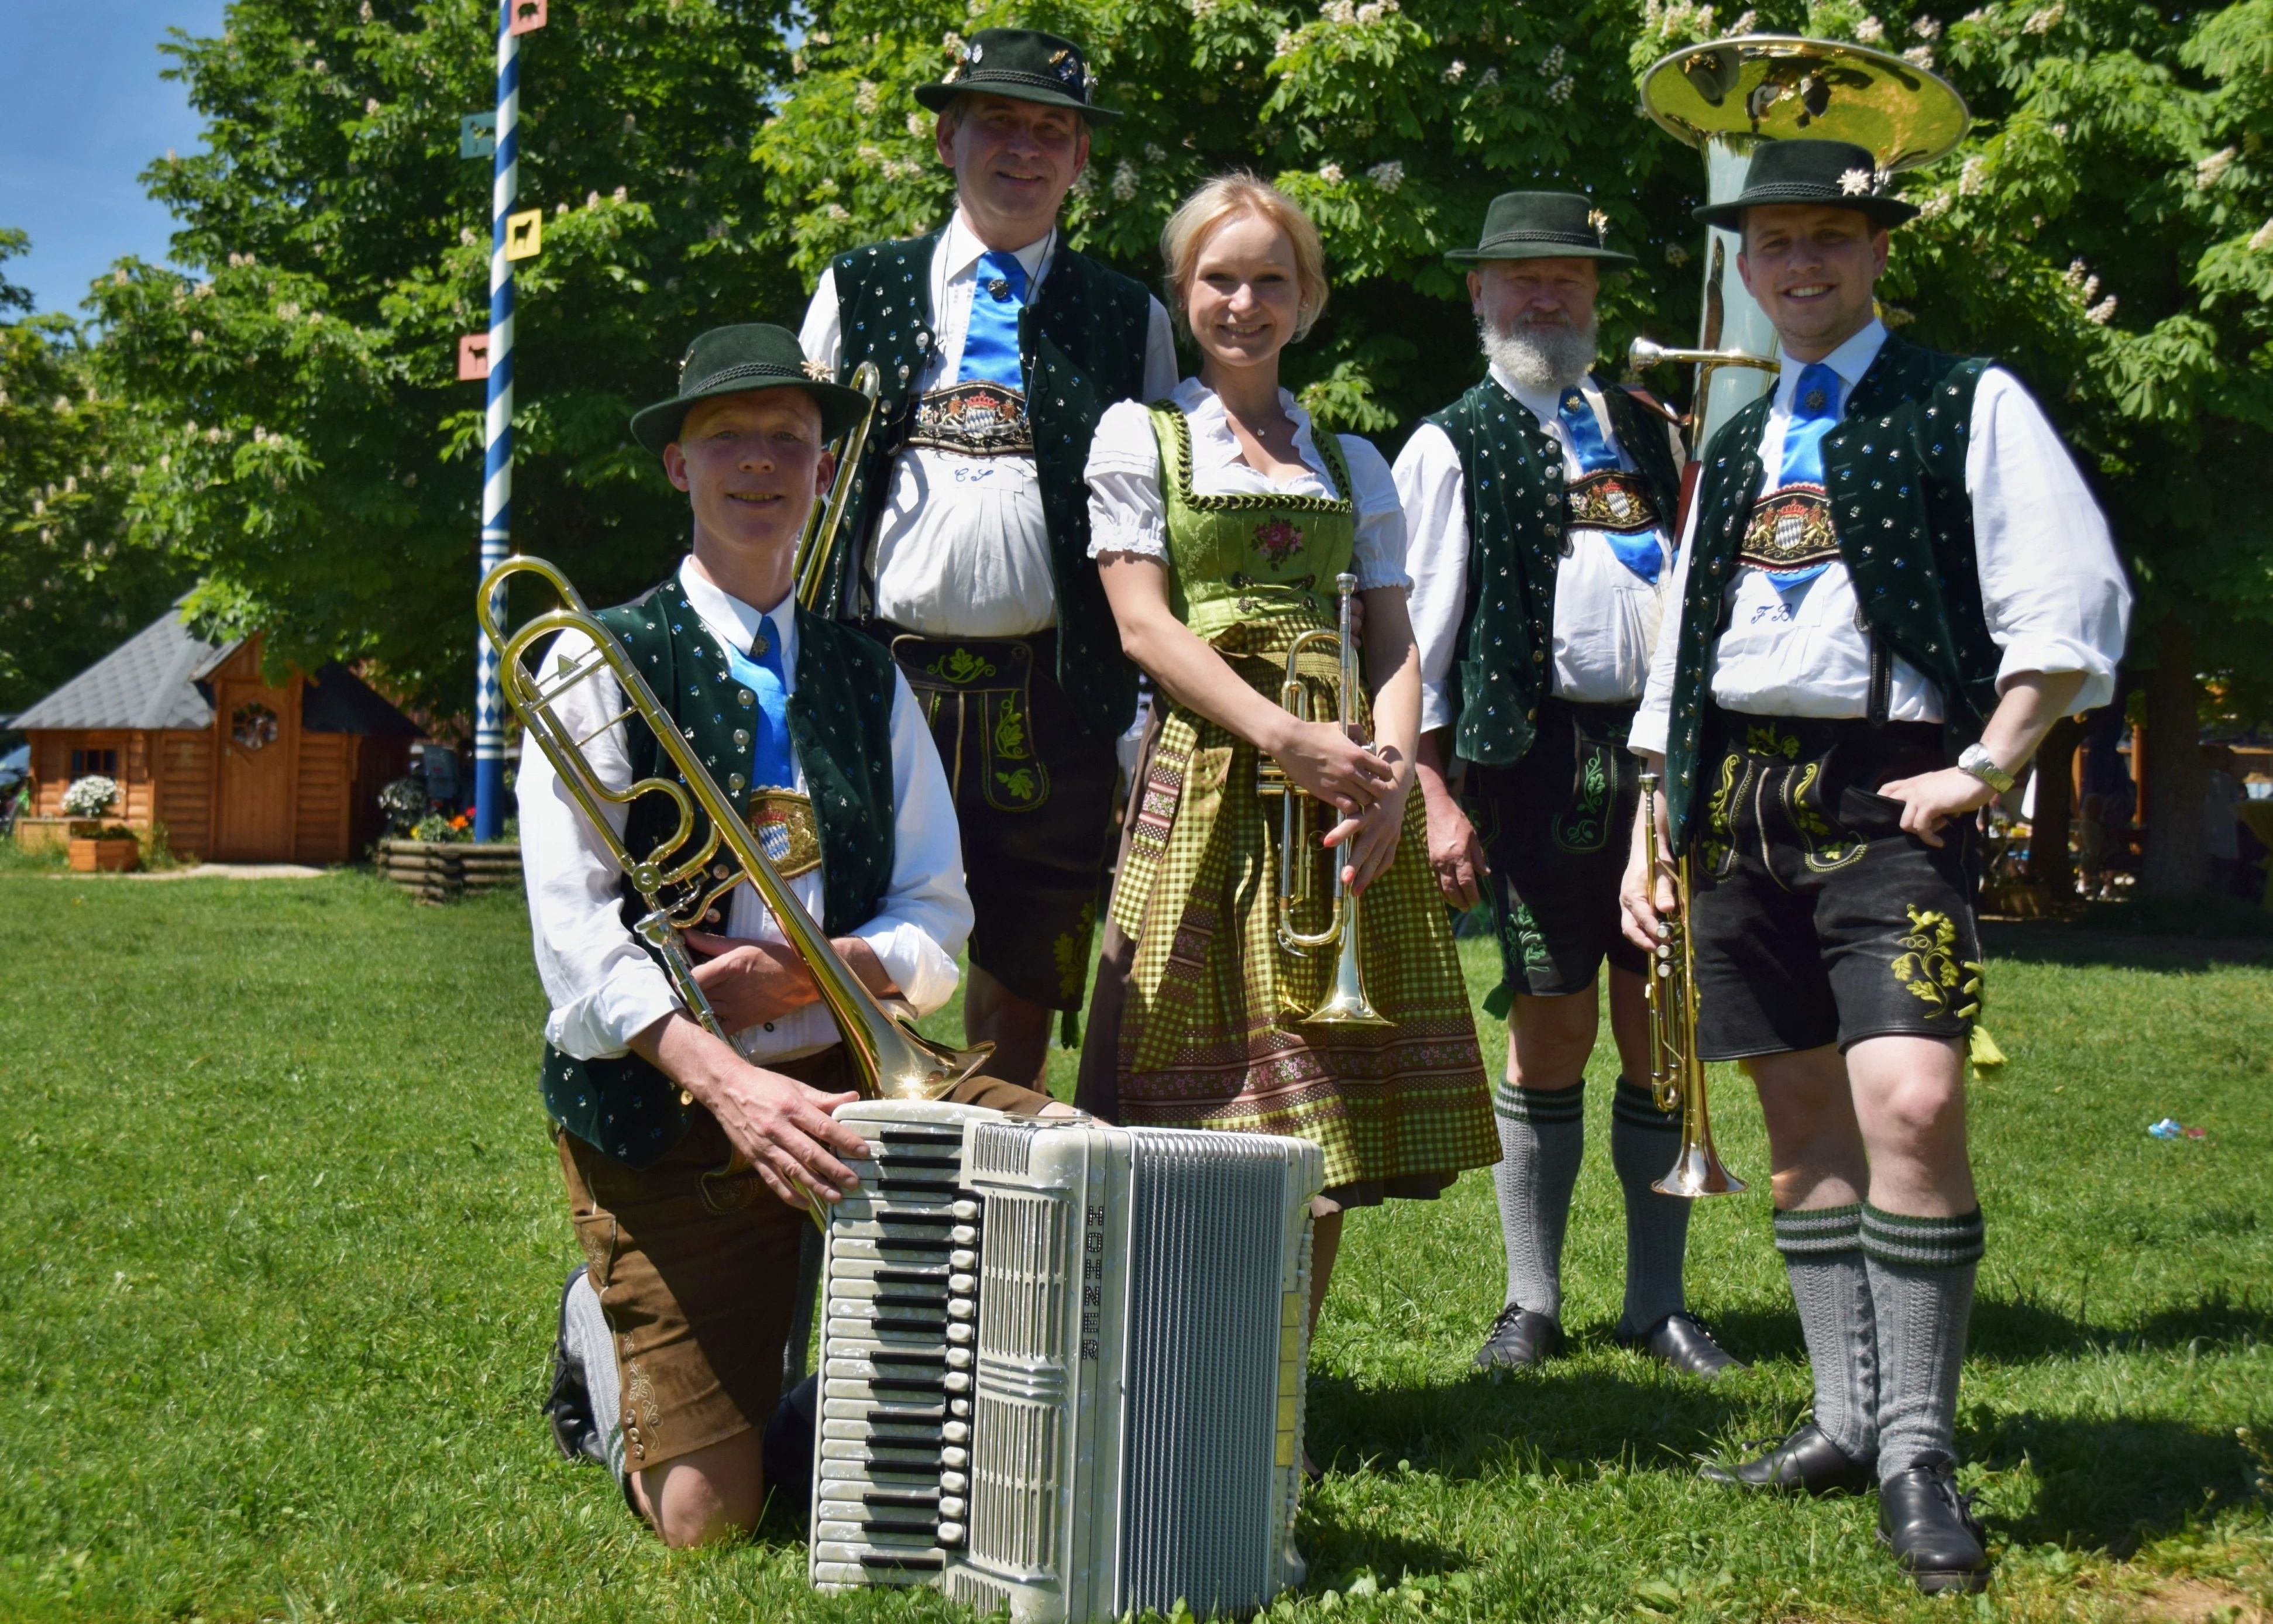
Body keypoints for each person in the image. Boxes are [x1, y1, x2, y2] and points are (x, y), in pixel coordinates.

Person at [1619, 140, 2131, 1593]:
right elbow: (1685, 644)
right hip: (1736, 798)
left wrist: (1986, 760)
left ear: (1875, 249)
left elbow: (2069, 596)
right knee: (1796, 1128)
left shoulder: (1966, 400)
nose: (1797, 265)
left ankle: (1917, 1446)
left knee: (1905, 1101)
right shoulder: (1734, 436)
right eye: (1772, 241)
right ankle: (1842, 1419)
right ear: (1745, 261)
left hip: (1883, 789)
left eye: (1826, 239)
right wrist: (1660, 818)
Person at [518, 325, 1062, 1547]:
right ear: (677, 466)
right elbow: (574, 943)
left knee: (1073, 1160)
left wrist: (817, 969)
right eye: (728, 440)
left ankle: (844, 1361)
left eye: (790, 441)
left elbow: (937, 914)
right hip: (675, 1109)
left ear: (823, 469)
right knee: (711, 1519)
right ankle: (599, 1331)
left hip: (855, 1068)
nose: (760, 465)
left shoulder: (869, 678)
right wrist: (730, 1087)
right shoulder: (591, 656)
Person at [1075, 173, 1497, 1353]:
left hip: (1336, 802)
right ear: (1183, 291)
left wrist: (1389, 780)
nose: (1243, 302)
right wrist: (1282, 738)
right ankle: (1161, 1362)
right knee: (1188, 1093)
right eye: (1219, 277)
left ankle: (1276, 1387)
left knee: (1319, 1121)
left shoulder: (1349, 457)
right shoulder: (1141, 436)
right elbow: (1144, 627)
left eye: (1269, 278)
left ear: (1305, 296)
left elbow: (1395, 640)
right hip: (1210, 786)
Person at [1398, 191, 1740, 1381]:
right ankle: (1529, 1300)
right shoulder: (1451, 439)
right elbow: (1413, 641)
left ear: (1596, 299)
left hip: (1661, 768)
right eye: (1522, 279)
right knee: (1553, 1017)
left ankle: (1657, 1302)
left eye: (1569, 280)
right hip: (1530, 763)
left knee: (1665, 1016)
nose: (1547, 297)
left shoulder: (1651, 430)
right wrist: (1432, 794)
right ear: (1478, 295)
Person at [799, 28, 1179, 1089]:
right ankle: (852, 1176)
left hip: (1054, 689)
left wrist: (1140, 706)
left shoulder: (1128, 316)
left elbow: (1147, 524)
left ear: (1080, 159)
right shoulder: (858, 286)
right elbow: (799, 483)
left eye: (1050, 130)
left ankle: (1001, 1194)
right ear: (944, 137)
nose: (1024, 149)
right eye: (998, 124)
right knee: (856, 938)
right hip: (877, 673)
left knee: (1028, 959)